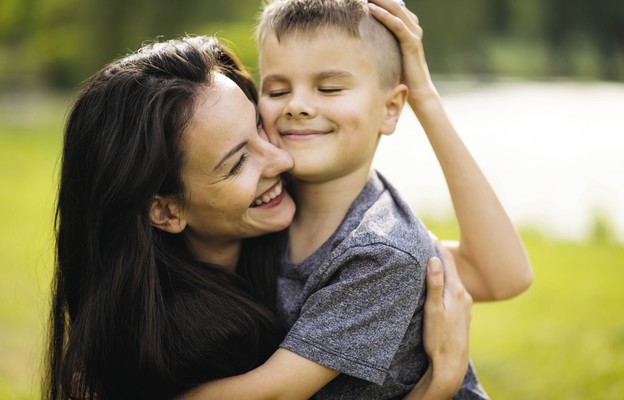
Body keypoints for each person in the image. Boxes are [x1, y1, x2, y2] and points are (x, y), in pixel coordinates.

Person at [45, 35, 473, 400]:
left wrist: (425, 97)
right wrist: (435, 387)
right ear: (164, 209)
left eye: (259, 129)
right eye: (237, 163)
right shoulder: (195, 347)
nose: (282, 158)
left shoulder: (312, 232)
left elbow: (492, 274)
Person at [183, 0, 532, 398]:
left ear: (391, 108)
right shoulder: (267, 206)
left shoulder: (380, 247)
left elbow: (274, 394)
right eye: (278, 89)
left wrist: (425, 98)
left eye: (329, 88)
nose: (297, 105)